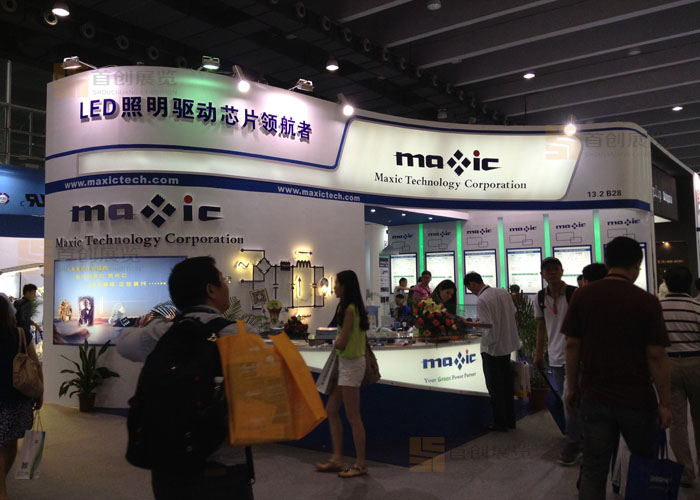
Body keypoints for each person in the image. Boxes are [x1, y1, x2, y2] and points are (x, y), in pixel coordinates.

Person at [117, 256, 253, 500]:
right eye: (223, 280)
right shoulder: (238, 334)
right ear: (211, 290)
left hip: (167, 468)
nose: (226, 286)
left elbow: (123, 344)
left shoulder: (161, 332)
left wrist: (153, 325)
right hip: (222, 470)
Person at [562, 236, 671, 499]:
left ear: (608, 263)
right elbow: (656, 355)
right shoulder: (647, 301)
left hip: (594, 396)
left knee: (593, 468)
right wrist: (665, 403)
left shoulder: (582, 296)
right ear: (636, 265)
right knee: (643, 463)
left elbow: (572, 345)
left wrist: (571, 388)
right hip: (637, 399)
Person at [315, 270, 369, 478]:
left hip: (351, 365)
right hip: (346, 364)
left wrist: (335, 341)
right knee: (332, 409)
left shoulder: (349, 310)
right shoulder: (348, 307)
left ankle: (360, 463)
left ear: (345, 285)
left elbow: (342, 341)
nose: (334, 287)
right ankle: (337, 458)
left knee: (353, 416)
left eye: (337, 283)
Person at [534, 257, 582, 466]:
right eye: (548, 270)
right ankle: (578, 437)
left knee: (570, 399)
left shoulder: (574, 293)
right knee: (567, 400)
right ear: (542, 274)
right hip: (554, 356)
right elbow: (540, 327)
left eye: (555, 269)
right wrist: (538, 354)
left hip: (575, 355)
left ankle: (573, 444)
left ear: (562, 271)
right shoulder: (539, 297)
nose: (552, 272)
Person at [659, 266, 700, 487]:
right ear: (690, 284)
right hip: (696, 363)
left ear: (666, 282)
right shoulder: (697, 307)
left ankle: (686, 470)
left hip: (668, 366)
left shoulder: (657, 308)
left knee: (677, 422)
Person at [464, 272, 520, 432]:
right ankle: (510, 420)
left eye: (470, 289)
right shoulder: (502, 292)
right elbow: (515, 314)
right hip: (506, 346)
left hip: (492, 349)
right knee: (507, 386)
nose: (472, 292)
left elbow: (487, 324)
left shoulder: (482, 299)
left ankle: (500, 422)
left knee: (495, 388)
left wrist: (468, 323)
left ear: (472, 284)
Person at [0, 296, 43, 500]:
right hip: (17, 397)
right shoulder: (21, 334)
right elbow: (35, 365)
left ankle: (1, 488)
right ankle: (1, 488)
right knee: (9, 444)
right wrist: (40, 392)